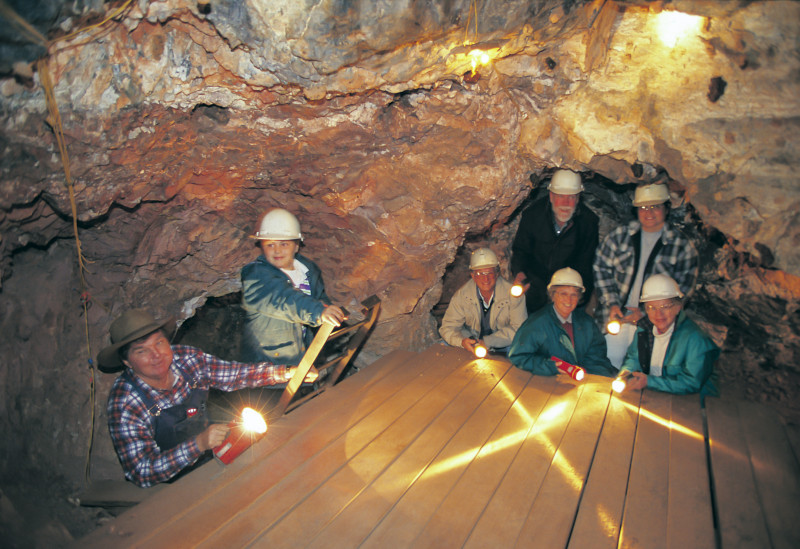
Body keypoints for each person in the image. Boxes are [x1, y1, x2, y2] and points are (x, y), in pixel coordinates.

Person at [99, 309, 316, 487]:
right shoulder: (125, 403)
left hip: (209, 452)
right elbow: (142, 471)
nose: (157, 355)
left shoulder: (186, 358)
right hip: (170, 484)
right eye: (141, 351)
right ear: (127, 362)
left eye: (159, 343)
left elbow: (234, 375)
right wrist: (198, 444)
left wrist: (288, 372)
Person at [593, 182, 698, 368]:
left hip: (653, 323)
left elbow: (684, 291)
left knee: (645, 372)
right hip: (617, 317)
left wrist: (646, 312)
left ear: (666, 208)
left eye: (655, 207)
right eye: (643, 207)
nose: (648, 213)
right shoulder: (620, 236)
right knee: (608, 366)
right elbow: (601, 267)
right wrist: (612, 303)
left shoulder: (681, 246)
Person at [240, 208, 345, 364]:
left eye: (284, 244)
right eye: (270, 245)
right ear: (261, 246)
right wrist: (319, 311)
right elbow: (284, 299)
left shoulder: (308, 270)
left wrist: (329, 309)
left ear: (297, 245)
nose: (277, 251)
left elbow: (319, 298)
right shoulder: (255, 275)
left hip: (301, 359)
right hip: (267, 368)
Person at [511, 169, 599, 314]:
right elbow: (521, 250)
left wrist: (579, 294)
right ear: (551, 196)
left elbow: (587, 263)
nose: (565, 203)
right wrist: (519, 272)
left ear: (578, 198)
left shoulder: (588, 222)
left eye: (571, 197)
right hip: (535, 286)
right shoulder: (533, 215)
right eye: (560, 196)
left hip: (567, 287)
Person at [618, 274, 718, 395]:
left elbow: (692, 383)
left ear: (678, 307)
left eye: (665, 307)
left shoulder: (696, 339)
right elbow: (633, 358)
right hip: (657, 394)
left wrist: (649, 382)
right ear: (646, 310)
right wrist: (626, 373)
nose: (658, 314)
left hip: (694, 403)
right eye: (652, 308)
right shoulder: (643, 330)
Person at [509, 268, 615, 377]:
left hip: (582, 383)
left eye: (573, 295)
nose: (569, 300)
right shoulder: (537, 324)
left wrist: (587, 374)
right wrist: (550, 367)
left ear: (579, 297)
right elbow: (518, 357)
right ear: (552, 295)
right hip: (549, 383)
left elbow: (597, 357)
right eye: (563, 294)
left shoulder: (586, 323)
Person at [439, 247, 527, 355]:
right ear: (473, 276)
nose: (486, 279)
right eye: (480, 274)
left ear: (497, 273)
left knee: (522, 347)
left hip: (502, 344)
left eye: (489, 273)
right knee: (444, 343)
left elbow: (519, 328)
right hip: (474, 344)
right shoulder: (462, 296)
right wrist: (462, 342)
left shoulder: (513, 295)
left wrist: (488, 342)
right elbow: (448, 328)